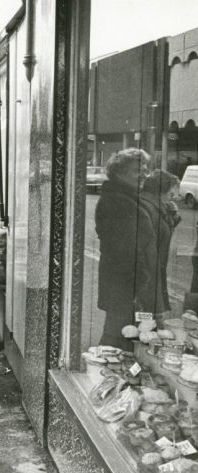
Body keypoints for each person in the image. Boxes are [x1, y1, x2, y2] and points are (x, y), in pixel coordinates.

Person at [95, 148, 160, 350]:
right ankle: (104, 374)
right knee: (119, 334)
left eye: (145, 169)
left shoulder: (128, 196)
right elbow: (123, 250)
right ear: (119, 173)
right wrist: (139, 284)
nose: (143, 174)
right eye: (136, 170)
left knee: (126, 333)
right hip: (125, 282)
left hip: (129, 281)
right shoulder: (118, 201)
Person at [139, 169, 181, 317]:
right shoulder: (146, 207)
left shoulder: (156, 205)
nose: (173, 198)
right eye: (170, 194)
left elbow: (162, 233)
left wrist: (173, 216)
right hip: (146, 277)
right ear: (160, 190)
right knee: (146, 322)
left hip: (153, 272)